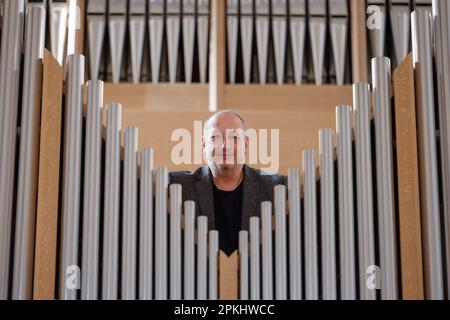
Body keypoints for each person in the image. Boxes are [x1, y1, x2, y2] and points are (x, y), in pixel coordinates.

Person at [169, 110, 287, 256]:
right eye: (215, 137)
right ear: (204, 145)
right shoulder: (174, 187)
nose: (225, 146)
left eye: (234, 138)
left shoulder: (279, 189)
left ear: (245, 144)